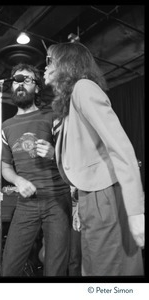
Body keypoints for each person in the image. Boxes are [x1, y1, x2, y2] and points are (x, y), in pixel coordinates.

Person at [43, 42, 145, 276]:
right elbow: (83, 159)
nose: (45, 67)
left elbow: (121, 147)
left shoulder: (84, 88)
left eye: (50, 60)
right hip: (92, 196)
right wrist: (79, 201)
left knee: (106, 274)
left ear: (67, 62)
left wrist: (136, 211)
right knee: (94, 271)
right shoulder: (71, 100)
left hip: (105, 196)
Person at [1, 63, 72, 276]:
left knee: (55, 269)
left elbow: (73, 158)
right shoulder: (5, 126)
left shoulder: (52, 117)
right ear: (11, 86)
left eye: (27, 79)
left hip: (57, 200)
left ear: (38, 88)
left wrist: (54, 153)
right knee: (9, 268)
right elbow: (5, 166)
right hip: (26, 205)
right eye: (16, 79)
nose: (21, 83)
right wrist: (18, 181)